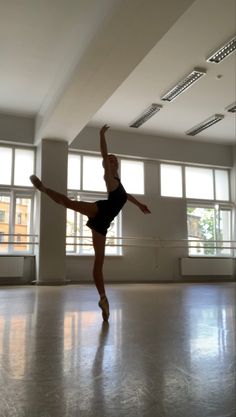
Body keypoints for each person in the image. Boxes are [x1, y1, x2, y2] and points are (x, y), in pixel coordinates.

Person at [30, 125, 151, 321]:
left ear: (117, 165)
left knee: (98, 263)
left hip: (102, 224)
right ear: (106, 165)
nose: (110, 160)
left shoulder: (118, 183)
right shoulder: (109, 177)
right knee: (69, 203)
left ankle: (103, 299)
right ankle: (43, 188)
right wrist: (101, 135)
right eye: (109, 160)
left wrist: (139, 204)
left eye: (114, 160)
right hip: (99, 210)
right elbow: (103, 155)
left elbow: (125, 195)